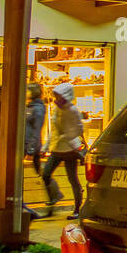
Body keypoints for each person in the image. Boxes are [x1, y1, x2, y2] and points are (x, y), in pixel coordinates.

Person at [41, 82, 85, 219]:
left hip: (69, 149)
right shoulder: (57, 109)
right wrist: (46, 146)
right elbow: (54, 130)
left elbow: (79, 129)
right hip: (57, 148)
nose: (55, 99)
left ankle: (77, 208)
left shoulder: (72, 110)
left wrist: (64, 136)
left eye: (58, 96)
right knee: (46, 174)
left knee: (73, 179)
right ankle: (56, 196)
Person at [25, 83, 46, 174]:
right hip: (26, 143)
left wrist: (32, 148)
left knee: (37, 173)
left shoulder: (37, 109)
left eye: (28, 90)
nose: (26, 92)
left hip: (30, 144)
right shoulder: (30, 107)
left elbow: (37, 129)